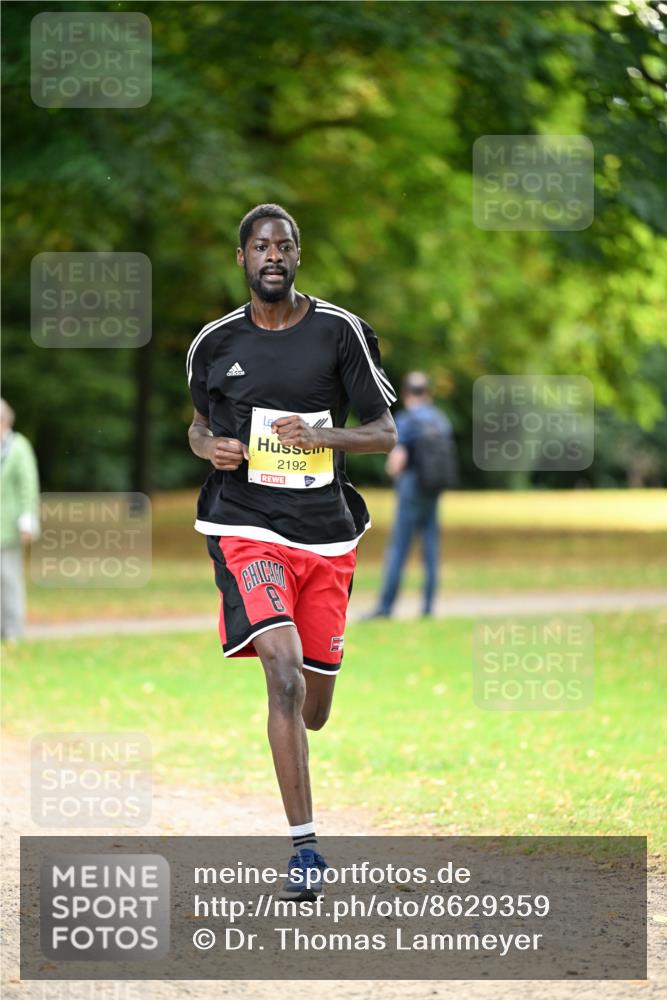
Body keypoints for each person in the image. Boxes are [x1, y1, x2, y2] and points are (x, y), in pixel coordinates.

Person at [186, 204, 397, 899]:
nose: (271, 256)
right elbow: (196, 425)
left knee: (313, 703)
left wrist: (324, 440)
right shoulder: (213, 343)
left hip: (326, 532)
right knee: (281, 674)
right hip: (247, 524)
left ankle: (309, 693)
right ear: (241, 258)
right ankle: (304, 849)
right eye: (259, 246)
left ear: (297, 256)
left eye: (283, 245)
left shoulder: (339, 332)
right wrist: (207, 447)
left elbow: (384, 432)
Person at [367, 372, 458, 619]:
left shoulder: (406, 420)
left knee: (398, 548)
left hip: (410, 489)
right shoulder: (441, 419)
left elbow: (398, 459)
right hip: (433, 490)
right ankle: (428, 607)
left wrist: (391, 471)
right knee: (430, 547)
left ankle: (386, 607)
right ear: (428, 393)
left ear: (406, 394)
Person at [1, 399, 40, 641]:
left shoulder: (18, 447)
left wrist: (27, 521)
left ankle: (13, 630)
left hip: (7, 527)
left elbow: (28, 486)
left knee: (8, 578)